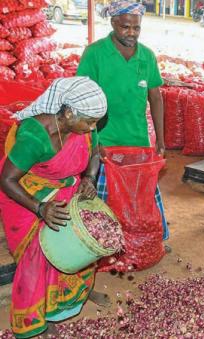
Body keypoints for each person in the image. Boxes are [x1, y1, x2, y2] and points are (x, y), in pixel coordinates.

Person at [0, 77, 110, 338]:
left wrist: (89, 178)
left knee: (79, 245)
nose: (93, 128)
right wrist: (40, 208)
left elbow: (95, 153)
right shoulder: (35, 135)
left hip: (66, 191)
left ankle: (73, 299)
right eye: (90, 122)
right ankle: (36, 318)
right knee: (38, 258)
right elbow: (6, 179)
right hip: (27, 197)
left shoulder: (83, 126)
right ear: (69, 112)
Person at [76, 1, 171, 250]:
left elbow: (156, 97)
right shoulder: (95, 53)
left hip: (138, 139)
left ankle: (147, 239)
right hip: (104, 140)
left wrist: (161, 139)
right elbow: (81, 98)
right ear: (113, 23)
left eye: (136, 28)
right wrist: (94, 142)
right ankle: (105, 245)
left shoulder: (146, 56)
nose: (131, 33)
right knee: (106, 199)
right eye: (125, 27)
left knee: (141, 195)